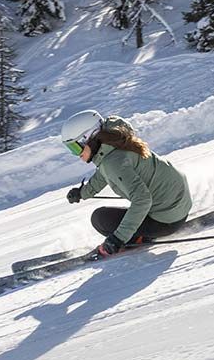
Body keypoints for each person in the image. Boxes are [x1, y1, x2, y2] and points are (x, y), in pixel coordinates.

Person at [61, 110, 192, 258]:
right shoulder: (116, 143)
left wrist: (118, 239)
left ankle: (137, 238)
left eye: (76, 148)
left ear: (89, 138)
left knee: (100, 219)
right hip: (180, 204)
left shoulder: (112, 161)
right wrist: (82, 193)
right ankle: (139, 232)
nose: (77, 155)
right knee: (105, 216)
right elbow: (104, 173)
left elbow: (142, 200)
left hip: (166, 220)